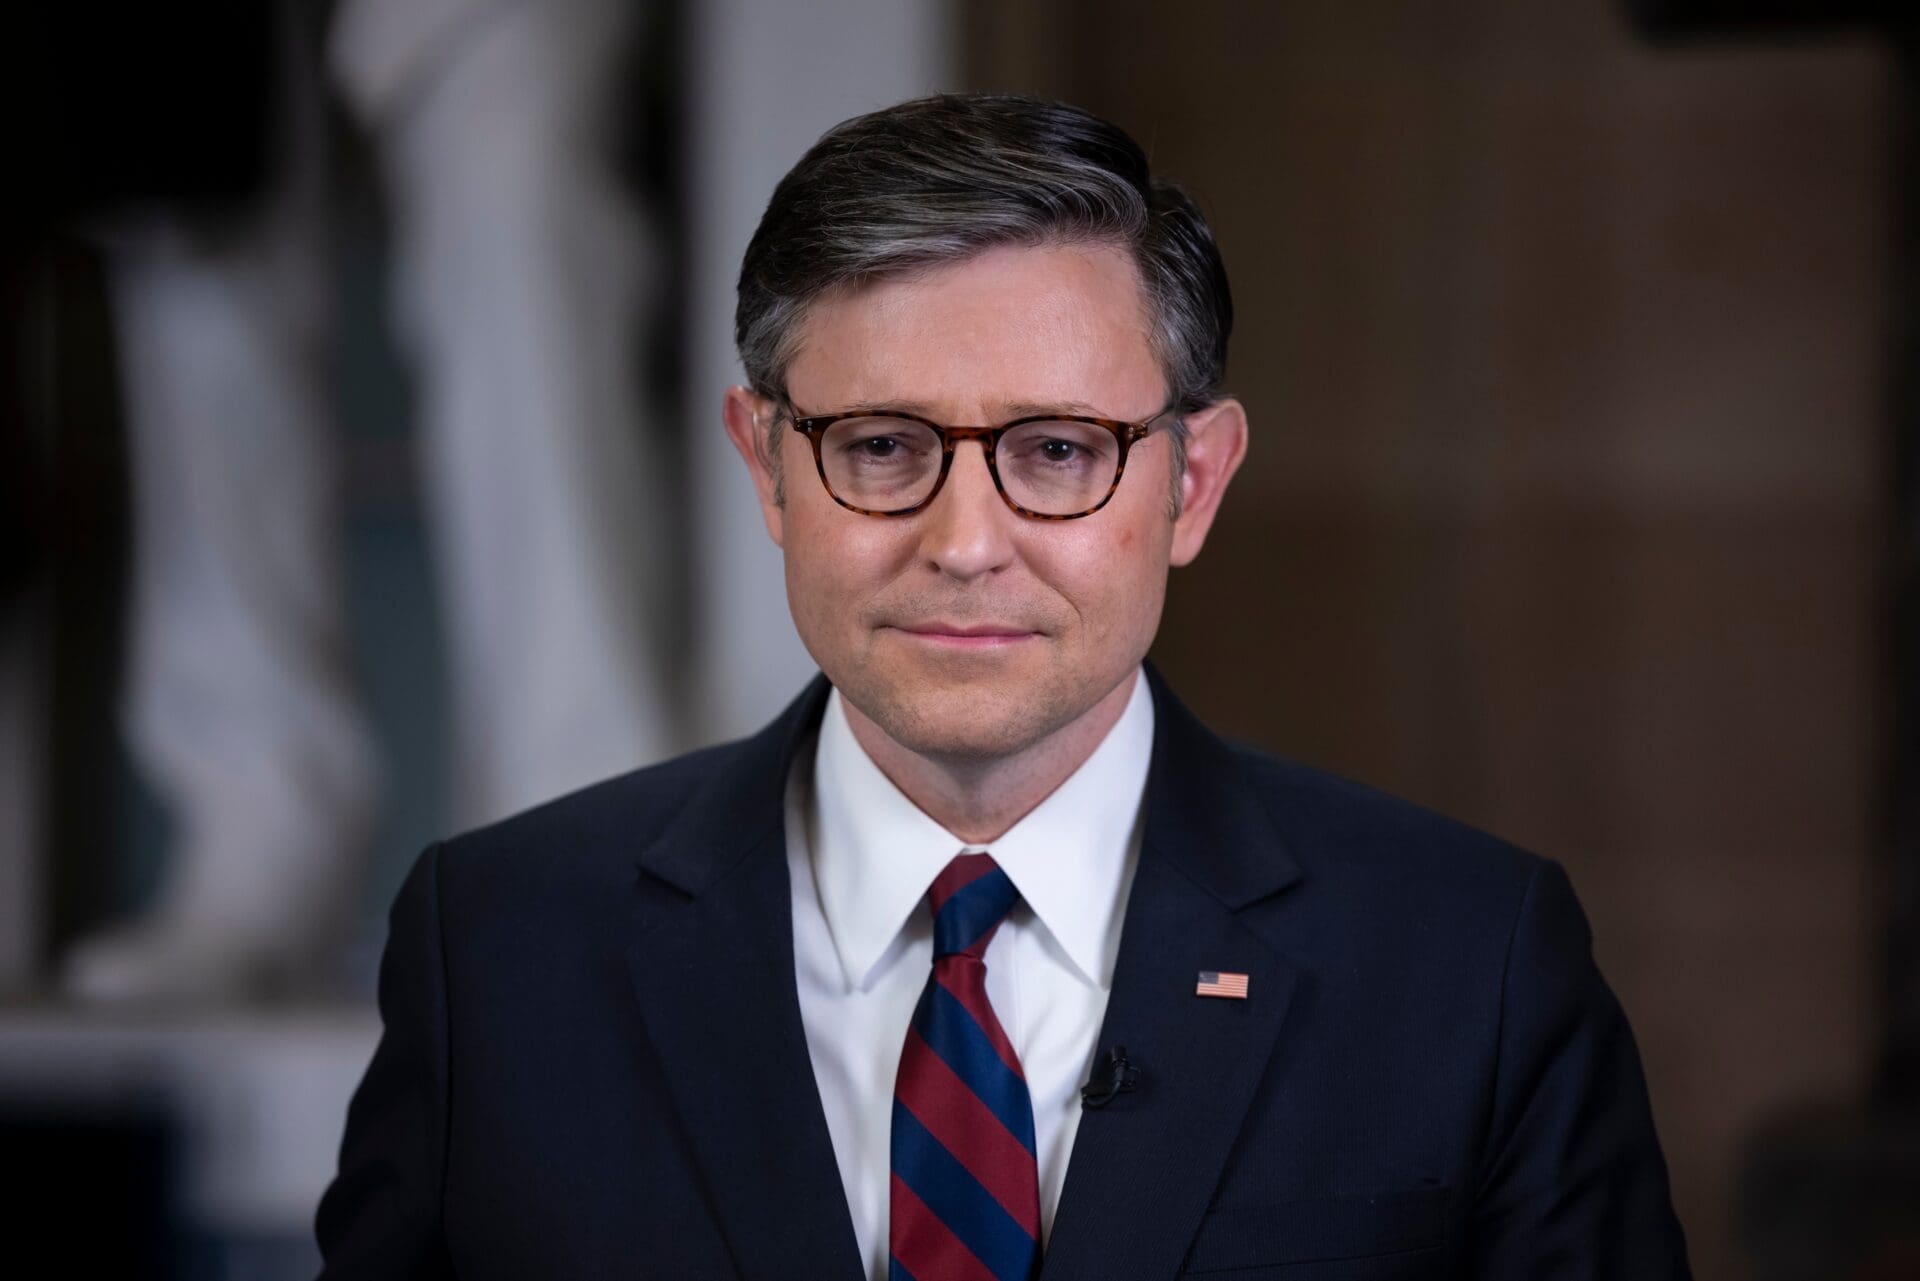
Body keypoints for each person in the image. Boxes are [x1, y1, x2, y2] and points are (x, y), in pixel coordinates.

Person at [316, 94, 1691, 1279]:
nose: (966, 544)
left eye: (1054, 450)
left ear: (1192, 483)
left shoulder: (1471, 963)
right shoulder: (496, 954)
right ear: (766, 465)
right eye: (878, 444)